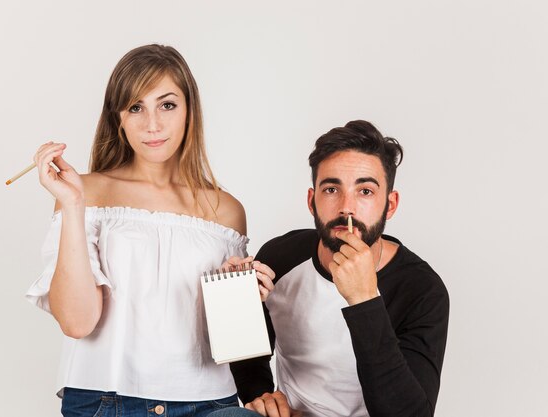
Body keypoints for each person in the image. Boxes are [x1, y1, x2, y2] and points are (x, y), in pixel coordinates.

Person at [26, 44, 269, 417]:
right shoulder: (86, 192)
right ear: (118, 118)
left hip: (209, 402)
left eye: (167, 105)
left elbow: (229, 339)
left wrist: (242, 293)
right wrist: (73, 205)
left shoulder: (226, 210)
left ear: (189, 111)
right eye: (136, 107)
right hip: (107, 400)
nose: (152, 124)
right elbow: (76, 322)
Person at [230, 120, 450, 417]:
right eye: (332, 189)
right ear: (312, 201)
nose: (347, 207)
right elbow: (248, 359)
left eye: (366, 192)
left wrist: (364, 299)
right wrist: (262, 396)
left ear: (391, 205)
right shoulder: (281, 256)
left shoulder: (421, 290)